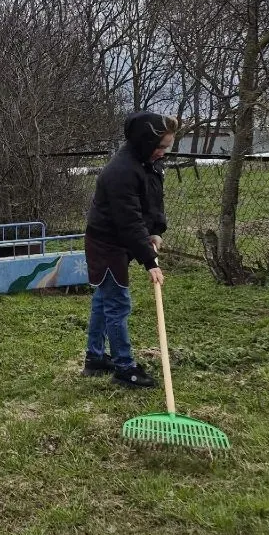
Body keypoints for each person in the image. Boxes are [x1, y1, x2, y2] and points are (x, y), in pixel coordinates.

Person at [82, 111, 178, 388]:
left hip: (119, 240)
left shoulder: (148, 164)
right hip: (106, 244)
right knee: (117, 304)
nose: (163, 152)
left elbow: (152, 202)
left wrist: (156, 230)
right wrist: (150, 261)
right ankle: (124, 368)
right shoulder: (121, 171)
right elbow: (129, 220)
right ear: (145, 141)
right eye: (160, 146)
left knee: (104, 300)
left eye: (167, 147)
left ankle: (95, 358)